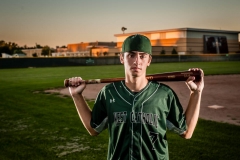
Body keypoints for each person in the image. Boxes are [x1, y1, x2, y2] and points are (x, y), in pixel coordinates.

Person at [68, 34, 204, 160]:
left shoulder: (164, 94)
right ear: (122, 58)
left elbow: (186, 132)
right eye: (131, 55)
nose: (137, 61)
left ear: (149, 60)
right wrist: (77, 96)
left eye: (142, 56)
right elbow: (93, 129)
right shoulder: (109, 93)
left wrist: (196, 93)